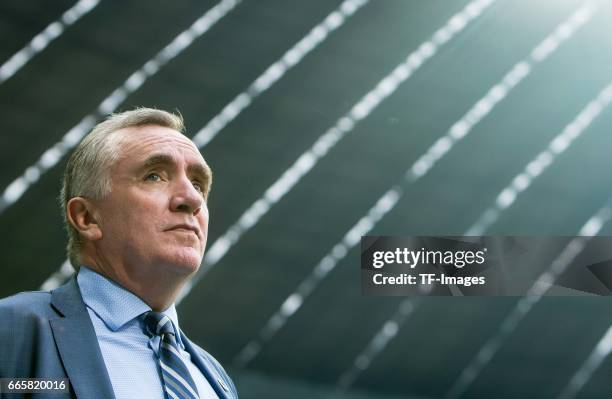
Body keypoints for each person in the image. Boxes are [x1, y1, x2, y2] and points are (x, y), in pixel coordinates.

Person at [0, 108, 238, 399]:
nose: (191, 198)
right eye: (154, 176)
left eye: (198, 184)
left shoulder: (216, 379)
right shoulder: (11, 330)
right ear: (87, 217)